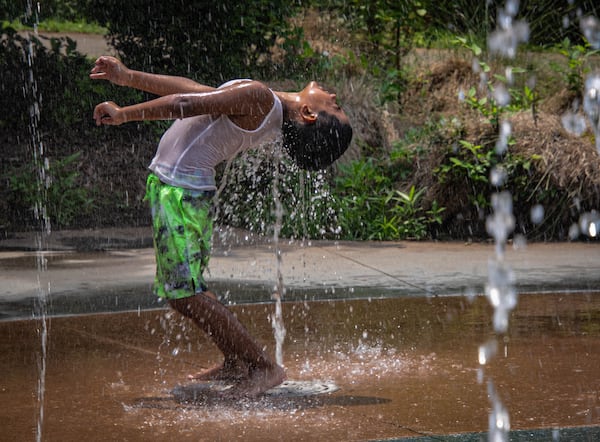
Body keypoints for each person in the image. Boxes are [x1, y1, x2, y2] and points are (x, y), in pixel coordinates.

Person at [90, 55, 352, 398]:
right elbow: (197, 93)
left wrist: (126, 114)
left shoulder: (259, 97)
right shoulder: (264, 102)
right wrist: (127, 77)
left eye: (337, 107)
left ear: (308, 115)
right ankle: (235, 360)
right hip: (182, 191)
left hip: (181, 195)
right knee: (188, 291)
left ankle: (263, 367)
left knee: (184, 294)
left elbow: (186, 103)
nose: (335, 98)